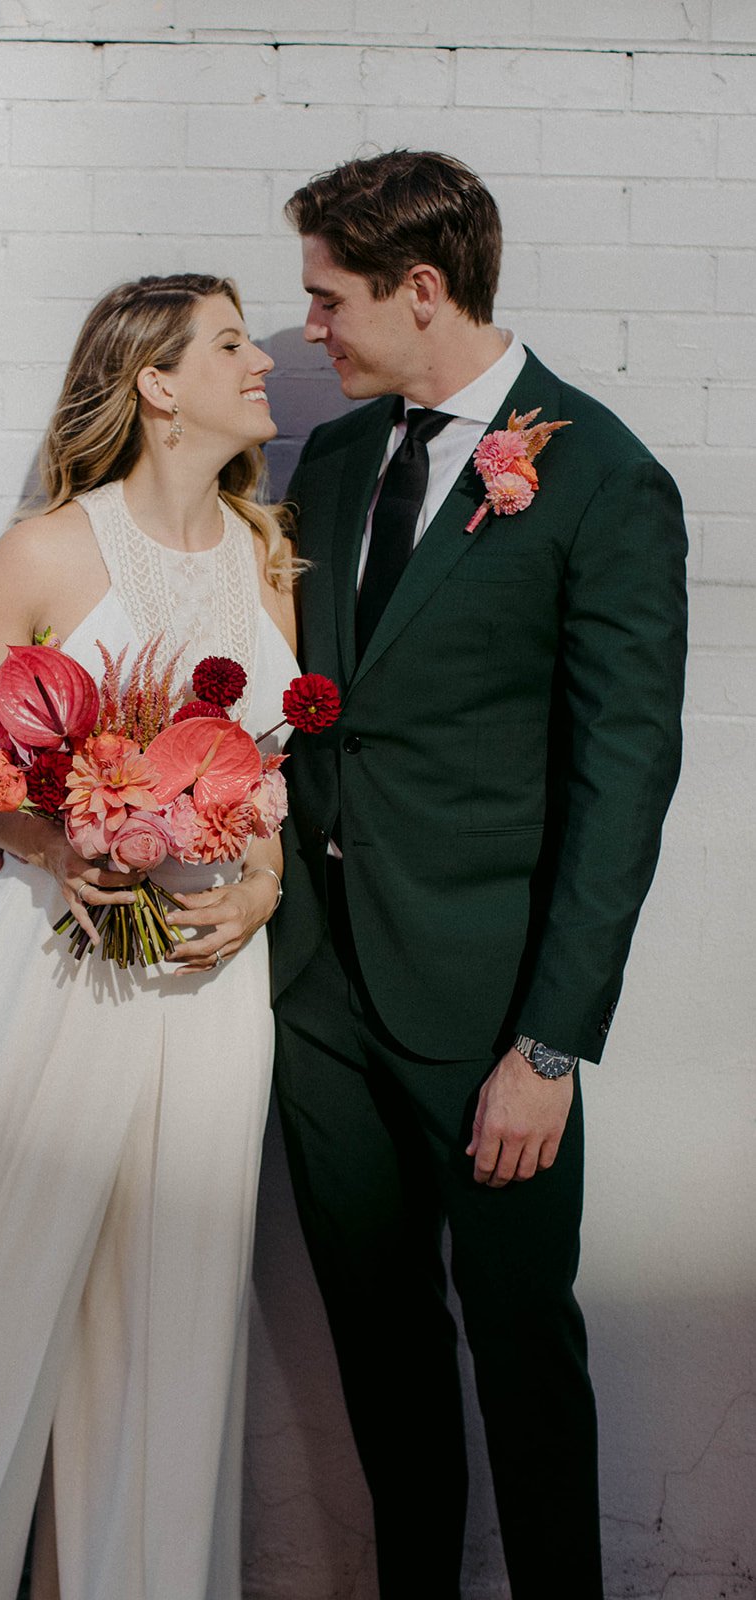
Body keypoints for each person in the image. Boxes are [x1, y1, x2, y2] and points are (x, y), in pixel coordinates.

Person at [0, 274, 298, 1600]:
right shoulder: (45, 551)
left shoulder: (266, 553)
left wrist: (260, 891)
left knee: (167, 1327)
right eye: (234, 345)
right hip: (48, 971)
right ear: (156, 383)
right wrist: (58, 844)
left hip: (209, 994)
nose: (264, 365)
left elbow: (272, 776)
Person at [270, 151, 687, 1600]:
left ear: (423, 288)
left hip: (493, 1017)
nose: (309, 325)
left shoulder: (607, 480)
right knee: (378, 1356)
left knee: (521, 1351)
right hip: (319, 1000)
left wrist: (550, 1044)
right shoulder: (328, 464)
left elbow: (623, 786)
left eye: (327, 297)